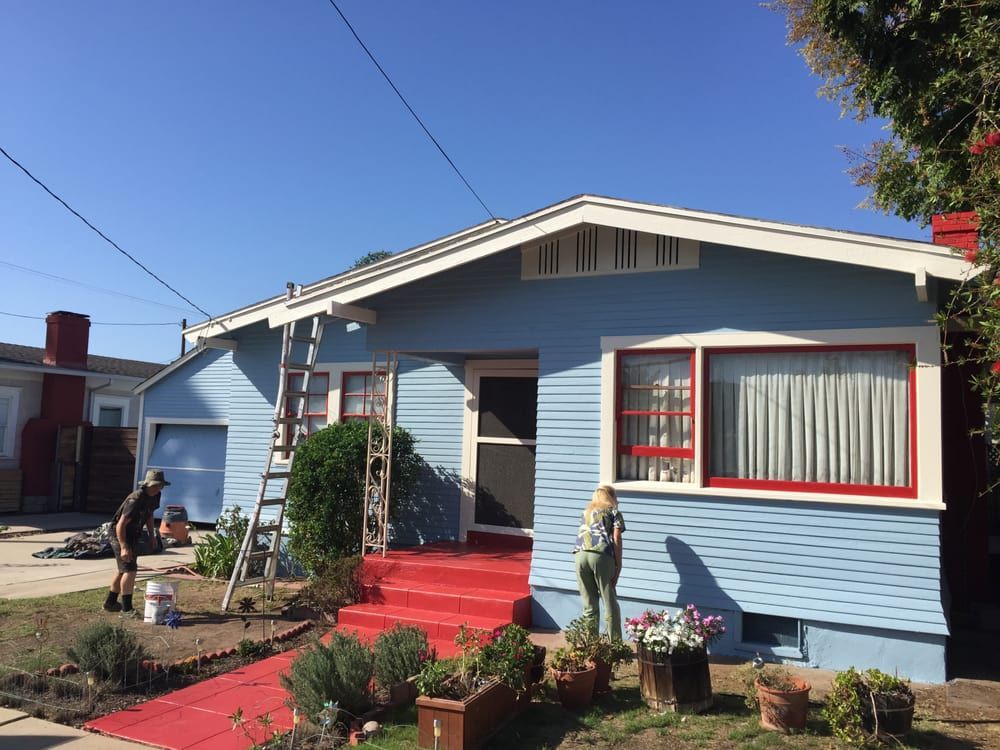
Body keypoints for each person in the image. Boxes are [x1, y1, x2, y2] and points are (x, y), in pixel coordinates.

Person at [103, 469, 169, 615]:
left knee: (123, 569)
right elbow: (121, 524)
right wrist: (124, 546)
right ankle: (127, 609)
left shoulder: (155, 496)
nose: (157, 489)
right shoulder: (135, 499)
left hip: (134, 533)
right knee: (130, 570)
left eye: (160, 486)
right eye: (155, 486)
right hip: (119, 533)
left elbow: (150, 515)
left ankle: (110, 603)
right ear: (147, 484)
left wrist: (152, 536)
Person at [574, 484, 626, 638]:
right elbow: (616, 537)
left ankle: (591, 645)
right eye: (616, 496)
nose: (618, 500)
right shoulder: (614, 512)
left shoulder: (585, 513)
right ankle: (615, 645)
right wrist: (618, 564)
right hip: (601, 555)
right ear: (610, 498)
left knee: (589, 604)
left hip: (580, 554)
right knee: (609, 603)